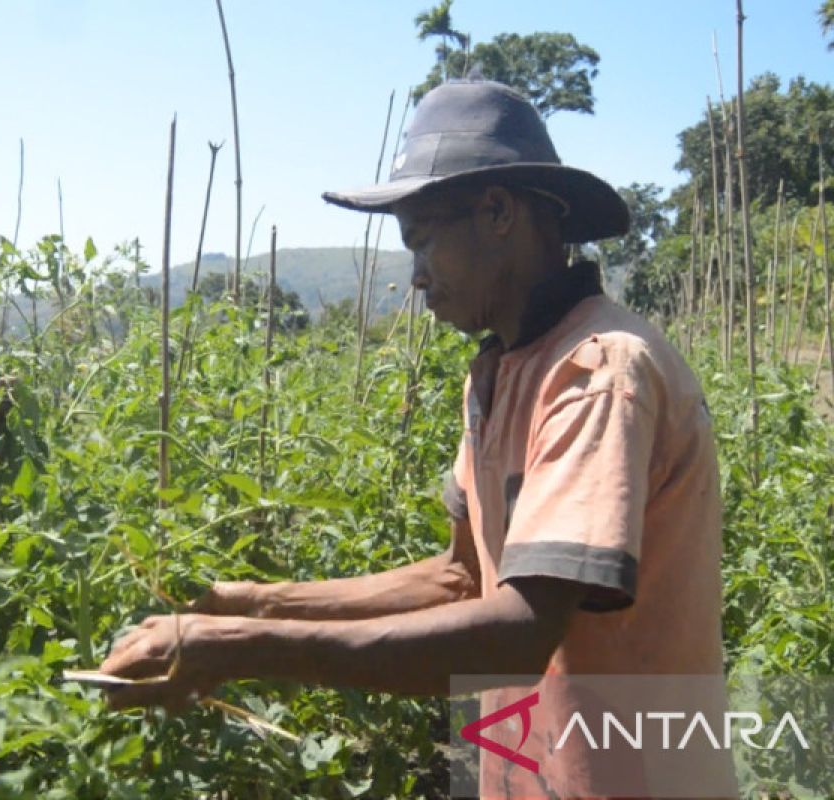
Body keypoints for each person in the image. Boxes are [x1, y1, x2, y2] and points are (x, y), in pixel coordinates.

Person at [97, 80, 733, 797]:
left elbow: (521, 633)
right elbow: (461, 577)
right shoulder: (502, 370)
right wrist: (243, 600)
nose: (418, 277)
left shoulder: (599, 370)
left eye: (421, 240)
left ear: (496, 212)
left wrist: (232, 647)